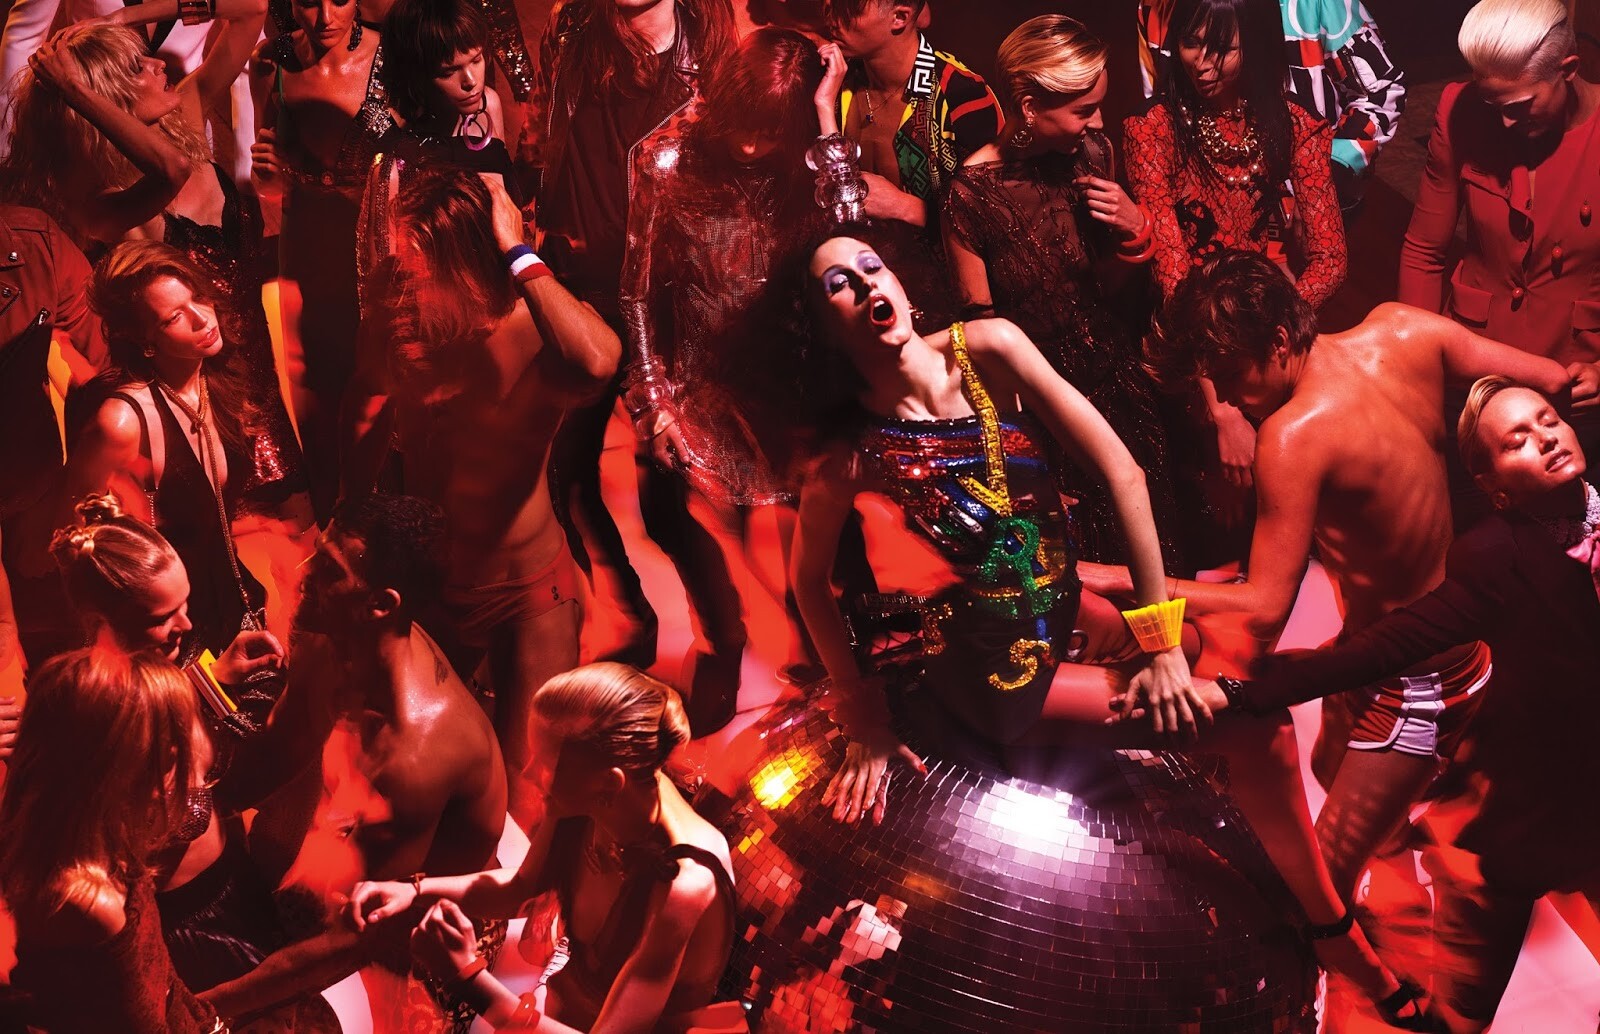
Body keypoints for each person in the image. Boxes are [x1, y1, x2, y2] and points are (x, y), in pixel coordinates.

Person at [789, 230, 1432, 1026]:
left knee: (1223, 653)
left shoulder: (988, 348)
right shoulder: (849, 451)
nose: (863, 284)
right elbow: (809, 584)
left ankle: (1271, 866)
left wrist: (1161, 644)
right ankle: (1335, 936)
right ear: (825, 327)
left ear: (901, 281)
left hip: (1061, 610)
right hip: (993, 675)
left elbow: (1122, 469)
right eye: (839, 284)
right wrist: (863, 716)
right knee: (1261, 733)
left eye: (870, 266)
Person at [1091, 251, 1595, 1026]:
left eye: (1229, 375)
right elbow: (1560, 379)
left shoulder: (1294, 434)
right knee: (1336, 780)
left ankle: (1388, 997)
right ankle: (1417, 885)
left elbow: (1262, 609)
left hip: (1415, 686)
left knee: (1312, 886)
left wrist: (1126, 580)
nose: (1228, 397)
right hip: (1417, 653)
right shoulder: (1406, 330)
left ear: (1275, 343)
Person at [1205, 377, 1600, 1032]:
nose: (1545, 438)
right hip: (1519, 829)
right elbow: (1386, 646)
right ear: (1494, 484)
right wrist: (1245, 691)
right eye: (1517, 440)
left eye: (1547, 420)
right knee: (1460, 1018)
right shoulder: (1492, 558)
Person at [348, 166, 618, 827]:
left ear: (469, 262)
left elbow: (597, 361)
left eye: (424, 266)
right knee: (400, 771)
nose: (411, 279)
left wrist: (517, 248)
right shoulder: (406, 321)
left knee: (526, 794)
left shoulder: (533, 327)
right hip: (433, 582)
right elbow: (365, 406)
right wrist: (348, 507)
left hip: (526, 592)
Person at [45, 495, 339, 1029]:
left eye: (186, 604)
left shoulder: (150, 679)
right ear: (99, 621)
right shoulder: (97, 724)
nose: (186, 624)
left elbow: (164, 706)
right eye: (163, 617)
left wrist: (213, 676)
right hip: (190, 934)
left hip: (232, 892)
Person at [12, 11, 309, 539]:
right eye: (137, 67)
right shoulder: (99, 200)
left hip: (259, 393)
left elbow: (248, 11)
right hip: (195, 411)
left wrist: (122, 18)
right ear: (102, 95)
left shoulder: (184, 114)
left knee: (298, 551)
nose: (160, 65)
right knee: (231, 561)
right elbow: (169, 170)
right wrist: (74, 90)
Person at [618, 26, 827, 733]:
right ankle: (721, 647)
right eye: (746, 126)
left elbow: (856, 239)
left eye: (770, 132)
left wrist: (825, 124)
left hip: (792, 382)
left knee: (817, 557)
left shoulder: (808, 155)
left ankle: (829, 670)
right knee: (690, 531)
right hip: (699, 386)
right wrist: (653, 402)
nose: (751, 147)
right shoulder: (666, 155)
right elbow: (636, 292)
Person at [347, 663, 745, 1033]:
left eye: (546, 764)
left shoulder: (684, 886)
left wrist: (468, 977)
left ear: (609, 784)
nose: (528, 772)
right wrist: (414, 889)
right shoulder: (588, 798)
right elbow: (520, 887)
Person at [527, 0, 736, 673]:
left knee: (668, 498)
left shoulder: (711, 55)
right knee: (565, 475)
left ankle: (722, 640)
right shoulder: (575, 34)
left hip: (668, 299)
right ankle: (628, 612)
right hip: (582, 287)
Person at [942, 15, 1181, 570]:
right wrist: (1022, 457)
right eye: (1083, 110)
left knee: (1153, 553)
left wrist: (1134, 233)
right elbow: (981, 349)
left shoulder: (1093, 155)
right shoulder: (969, 197)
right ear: (1029, 106)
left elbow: (1105, 292)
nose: (1098, 121)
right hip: (1046, 413)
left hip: (1119, 389)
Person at [1124, 0, 1347, 564]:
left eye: (1222, 48)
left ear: (1257, 42)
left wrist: (1270, 331)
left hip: (1272, 342)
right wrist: (1219, 409)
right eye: (1191, 43)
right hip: (1188, 356)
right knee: (1215, 529)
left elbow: (1330, 259)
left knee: (1301, 512)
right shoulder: (1154, 130)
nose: (1203, 63)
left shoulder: (1293, 122)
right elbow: (1175, 282)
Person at [1397, 0, 1600, 525]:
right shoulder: (1460, 109)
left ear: (1568, 70)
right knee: (1471, 530)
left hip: (1574, 382)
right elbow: (1424, 250)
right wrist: (1416, 368)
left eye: (1520, 104)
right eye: (1492, 102)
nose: (1503, 120)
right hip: (1473, 374)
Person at [64, 241, 275, 655]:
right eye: (175, 316)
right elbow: (79, 554)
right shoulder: (122, 423)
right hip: (171, 636)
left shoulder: (216, 381)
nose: (202, 318)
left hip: (238, 606)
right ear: (145, 342)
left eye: (197, 297)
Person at [0, 647, 224, 1032]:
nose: (193, 779)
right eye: (173, 756)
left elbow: (165, 985)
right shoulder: (89, 903)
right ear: (123, 769)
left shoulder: (110, 843)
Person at [250, 0, 397, 518]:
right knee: (316, 380)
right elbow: (271, 186)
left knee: (382, 378)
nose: (325, 17)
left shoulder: (395, 55)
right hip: (309, 244)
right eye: (310, 1)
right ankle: (335, 518)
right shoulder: (270, 63)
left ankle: (387, 517)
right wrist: (270, 180)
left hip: (381, 243)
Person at [1136, 0, 1407, 215]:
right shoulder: (1156, 7)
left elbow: (1381, 93)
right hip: (1206, 205)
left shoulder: (1315, 4)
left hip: (1304, 202)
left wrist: (1322, 179)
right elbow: (1160, 112)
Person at [0, 202, 102, 676]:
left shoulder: (34, 242)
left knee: (72, 667)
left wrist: (68, 500)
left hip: (33, 494)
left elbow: (105, 363)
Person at [0, 0, 259, 183]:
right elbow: (23, 38)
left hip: (184, 126)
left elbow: (252, 18)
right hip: (96, 137)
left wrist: (248, 177)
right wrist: (10, 159)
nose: (158, 64)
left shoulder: (191, 98)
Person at [814, 0, 1001, 229]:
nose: (832, 20)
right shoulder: (834, 81)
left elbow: (998, 219)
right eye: (831, 6)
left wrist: (906, 208)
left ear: (899, 17)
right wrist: (824, 104)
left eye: (849, 10)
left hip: (934, 252)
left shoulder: (962, 95)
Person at [381, 0, 519, 191]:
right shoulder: (400, 149)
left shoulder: (489, 103)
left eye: (476, 60)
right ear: (416, 74)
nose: (471, 81)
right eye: (448, 72)